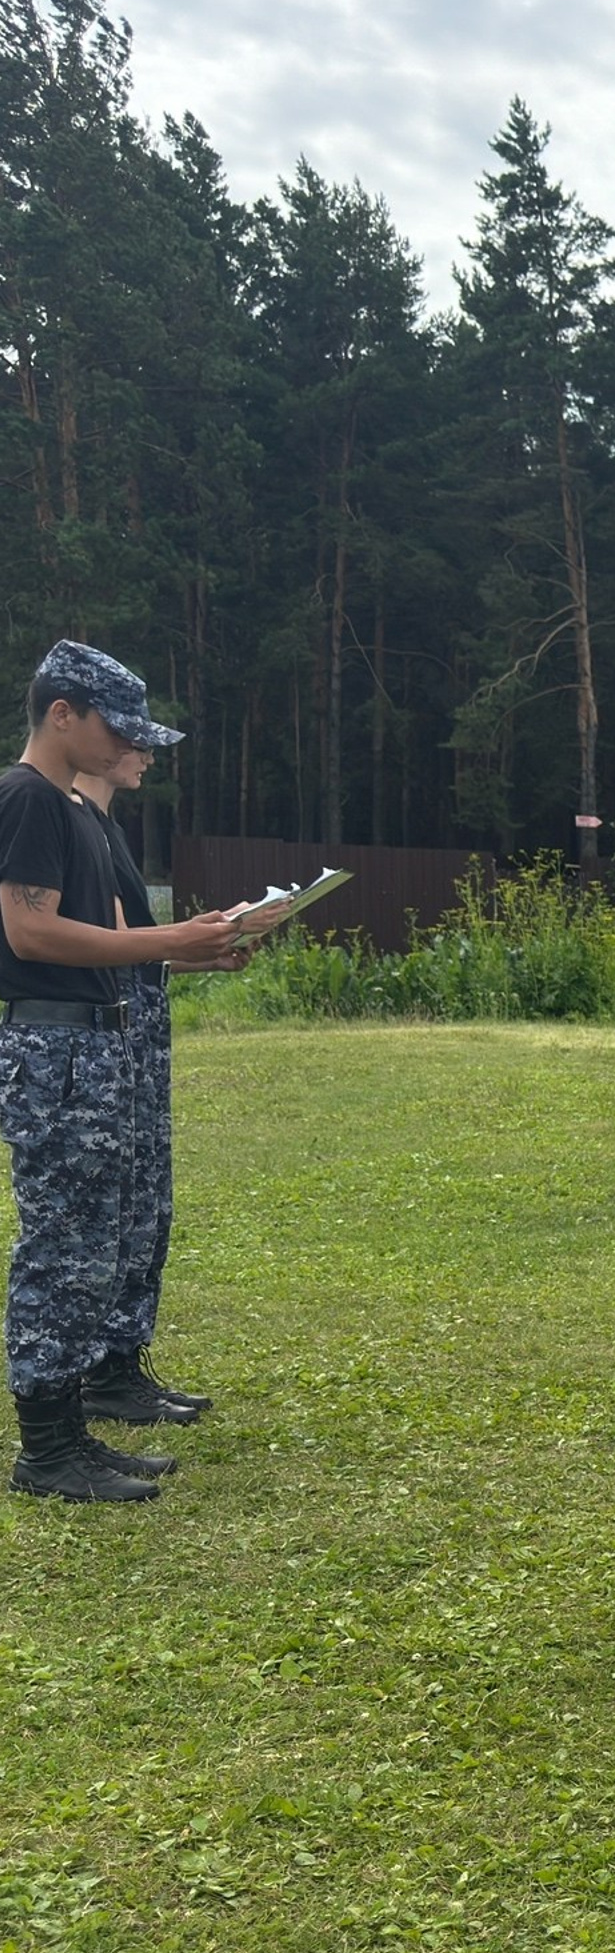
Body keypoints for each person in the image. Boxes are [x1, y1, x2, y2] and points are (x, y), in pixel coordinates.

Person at [3, 643, 251, 1502]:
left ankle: (71, 1431)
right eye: (116, 727)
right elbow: (29, 934)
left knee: (94, 1248)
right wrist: (173, 940)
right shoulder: (27, 798)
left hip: (90, 1043)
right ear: (61, 712)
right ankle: (46, 1450)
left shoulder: (70, 811)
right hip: (56, 1050)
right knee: (61, 1248)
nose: (128, 746)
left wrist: (185, 952)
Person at [66, 733, 234, 1431]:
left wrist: (206, 956)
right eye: (136, 743)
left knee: (144, 1210)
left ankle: (120, 1367)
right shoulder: (63, 818)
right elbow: (77, 944)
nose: (148, 757)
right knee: (106, 1216)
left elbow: (131, 948)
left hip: (138, 1032)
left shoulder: (105, 828)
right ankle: (96, 1376)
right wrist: (178, 940)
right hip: (99, 1040)